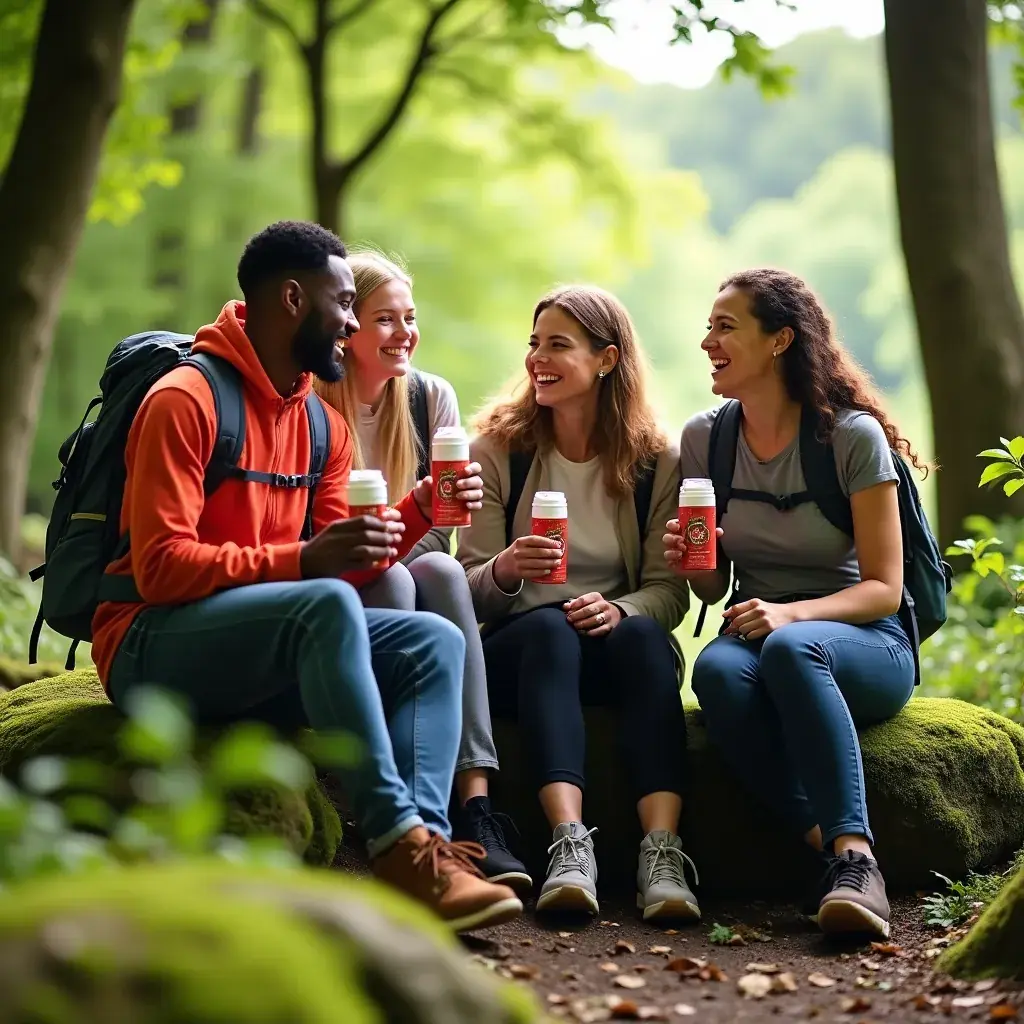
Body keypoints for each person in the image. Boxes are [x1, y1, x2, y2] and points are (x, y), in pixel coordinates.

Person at [90, 220, 523, 933]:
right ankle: (396, 844)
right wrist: (300, 561)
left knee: (431, 642)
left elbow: (343, 561)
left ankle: (429, 847)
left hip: (253, 645)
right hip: (149, 643)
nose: (352, 323)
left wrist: (415, 511)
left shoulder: (319, 425)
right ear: (293, 298)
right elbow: (161, 569)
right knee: (319, 603)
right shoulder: (185, 400)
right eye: (345, 303)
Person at [666, 268, 920, 940]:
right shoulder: (707, 440)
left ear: (779, 340)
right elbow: (712, 591)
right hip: (761, 633)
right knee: (715, 672)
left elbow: (884, 588)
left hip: (865, 640)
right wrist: (696, 560)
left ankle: (857, 858)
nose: (706, 342)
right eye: (708, 326)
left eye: (725, 327)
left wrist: (791, 614)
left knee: (788, 647)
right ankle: (823, 845)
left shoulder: (849, 438)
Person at [457, 285, 697, 921]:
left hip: (614, 649)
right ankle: (570, 845)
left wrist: (624, 611)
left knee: (645, 638)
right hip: (522, 651)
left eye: (558, 345)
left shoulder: (654, 462)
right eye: (535, 343)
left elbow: (669, 591)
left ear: (608, 359)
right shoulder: (496, 451)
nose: (538, 357)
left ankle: (662, 853)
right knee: (548, 631)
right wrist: (507, 570)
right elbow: (465, 583)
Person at [314, 250, 530, 893]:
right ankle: (392, 799)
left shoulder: (429, 397)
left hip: (409, 560)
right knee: (399, 579)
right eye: (386, 319)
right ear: (348, 328)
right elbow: (315, 535)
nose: (404, 332)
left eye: (410, 317)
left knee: (434, 568)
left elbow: (442, 524)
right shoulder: (313, 404)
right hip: (339, 575)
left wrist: (406, 546)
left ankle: (474, 801)